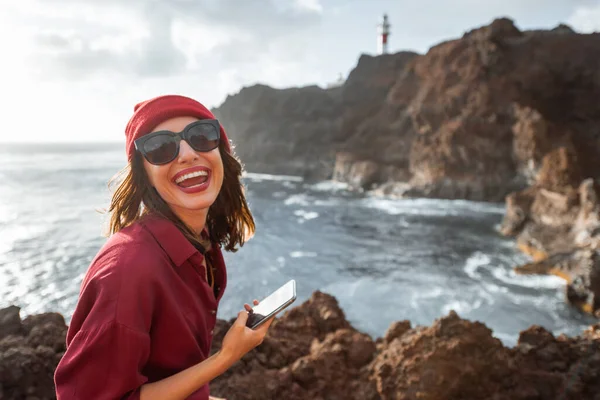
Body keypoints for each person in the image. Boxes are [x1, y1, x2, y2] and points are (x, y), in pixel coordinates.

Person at [54, 95, 273, 400]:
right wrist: (226, 356)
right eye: (160, 148)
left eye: (201, 137)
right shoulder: (128, 271)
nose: (187, 154)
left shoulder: (197, 241)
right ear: (144, 174)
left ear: (220, 151)